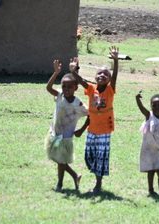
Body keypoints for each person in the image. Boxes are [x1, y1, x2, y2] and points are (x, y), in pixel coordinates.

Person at [70, 46, 119, 194]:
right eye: (99, 73)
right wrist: (73, 71)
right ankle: (96, 172)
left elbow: (115, 75)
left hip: (105, 130)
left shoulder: (110, 90)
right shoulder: (91, 89)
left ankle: (98, 184)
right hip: (92, 130)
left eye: (106, 74)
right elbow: (81, 81)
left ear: (109, 79)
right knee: (88, 155)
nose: (102, 75)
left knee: (100, 156)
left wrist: (115, 61)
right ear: (95, 77)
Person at [45, 59, 89, 192]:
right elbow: (48, 88)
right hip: (55, 133)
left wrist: (81, 129)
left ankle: (60, 184)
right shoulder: (59, 95)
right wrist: (56, 73)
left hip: (66, 137)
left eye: (69, 87)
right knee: (59, 160)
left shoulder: (78, 103)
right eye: (64, 86)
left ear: (76, 88)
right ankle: (75, 176)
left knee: (61, 161)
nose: (66, 89)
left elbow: (90, 115)